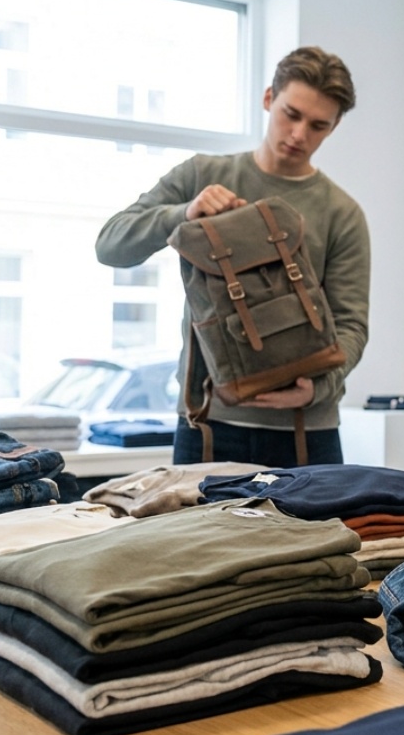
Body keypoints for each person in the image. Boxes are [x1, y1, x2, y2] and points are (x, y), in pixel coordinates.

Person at [96, 46, 370, 468]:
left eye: (318, 125)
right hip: (207, 424)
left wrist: (318, 390)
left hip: (307, 431)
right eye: (290, 114)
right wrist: (183, 214)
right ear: (267, 99)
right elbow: (110, 245)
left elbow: (351, 325)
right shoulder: (201, 175)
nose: (299, 134)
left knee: (322, 539)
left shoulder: (342, 212)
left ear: (332, 129)